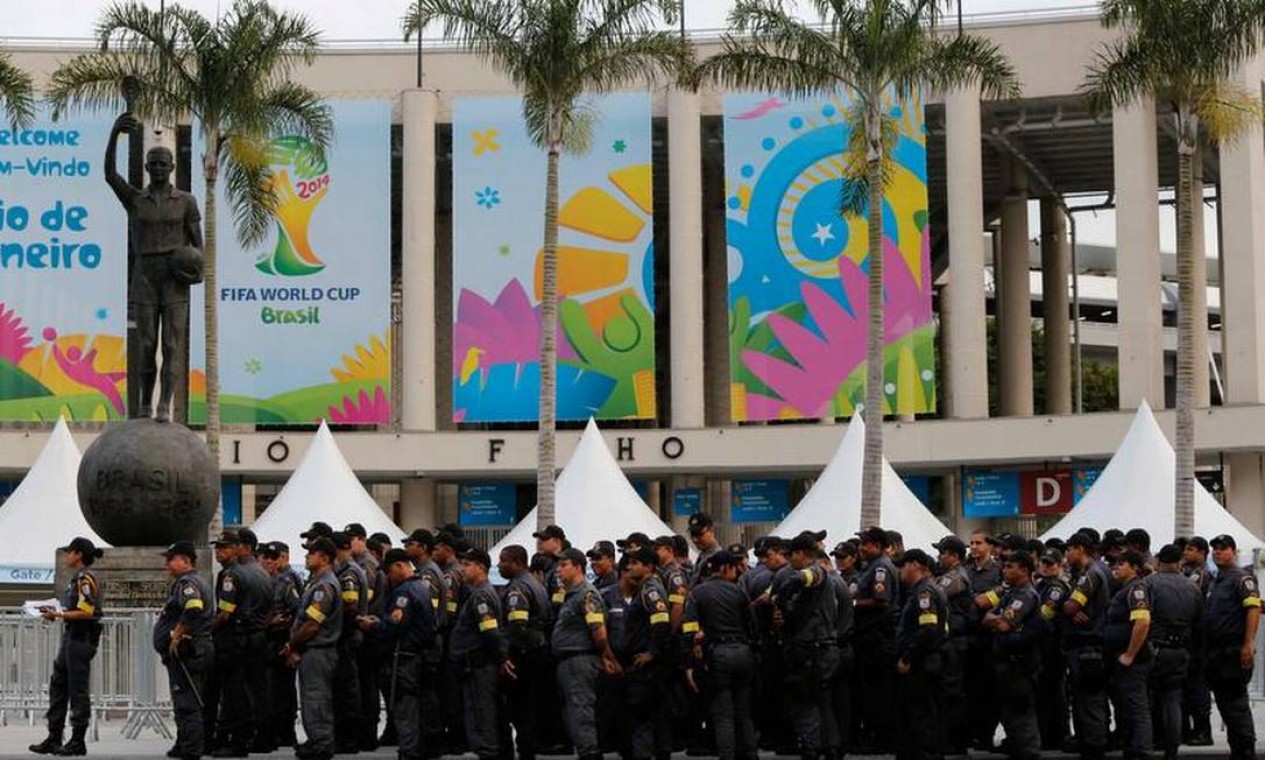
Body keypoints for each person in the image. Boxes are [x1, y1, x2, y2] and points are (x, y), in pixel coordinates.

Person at [104, 111, 203, 422]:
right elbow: (110, 175)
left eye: (164, 163)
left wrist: (194, 270)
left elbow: (199, 245)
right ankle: (145, 402)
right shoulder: (135, 200)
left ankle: (165, 406)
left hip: (174, 279)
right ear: (147, 168)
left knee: (172, 346)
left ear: (172, 168)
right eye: (154, 164)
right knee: (146, 347)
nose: (159, 168)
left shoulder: (186, 201)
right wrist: (114, 136)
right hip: (144, 277)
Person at [357, 548, 441, 760]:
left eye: (388, 570)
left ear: (400, 566)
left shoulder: (404, 592)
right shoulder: (421, 587)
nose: (386, 575)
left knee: (406, 708)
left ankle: (409, 751)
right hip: (418, 655)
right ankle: (418, 748)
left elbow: (395, 626)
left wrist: (373, 627)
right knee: (416, 707)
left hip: (405, 657)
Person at [30, 537, 105, 757]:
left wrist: (60, 614)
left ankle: (78, 741)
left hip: (81, 639)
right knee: (58, 685)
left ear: (79, 554)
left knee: (77, 689)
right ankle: (54, 737)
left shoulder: (85, 579)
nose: (67, 556)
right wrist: (57, 613)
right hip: (72, 636)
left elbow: (87, 611)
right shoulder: (78, 579)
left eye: (69, 552)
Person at [682, 550, 756, 760]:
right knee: (744, 714)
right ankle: (750, 754)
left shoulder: (698, 593)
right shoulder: (739, 592)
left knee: (723, 714)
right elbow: (752, 625)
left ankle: (727, 755)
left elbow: (689, 628)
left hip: (717, 656)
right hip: (743, 654)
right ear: (725, 568)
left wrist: (691, 660)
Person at [773, 533, 839, 760]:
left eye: (792, 556)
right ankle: (828, 748)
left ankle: (812, 749)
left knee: (805, 703)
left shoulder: (816, 570)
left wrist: (782, 594)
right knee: (821, 703)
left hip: (814, 650)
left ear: (801, 553)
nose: (790, 562)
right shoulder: (824, 577)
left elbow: (806, 576)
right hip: (821, 649)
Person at [552, 548, 622, 760]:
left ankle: (590, 753)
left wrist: (606, 656)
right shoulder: (571, 594)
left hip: (580, 660)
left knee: (581, 711)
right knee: (574, 713)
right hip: (569, 662)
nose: (558, 570)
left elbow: (599, 632)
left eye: (564, 565)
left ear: (578, 567)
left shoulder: (587, 594)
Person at [208, 530, 269, 757]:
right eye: (217, 548)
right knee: (253, 690)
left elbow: (224, 613)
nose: (218, 552)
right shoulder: (260, 571)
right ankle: (258, 736)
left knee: (235, 694)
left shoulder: (231, 575)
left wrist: (205, 631)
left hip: (235, 639)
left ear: (237, 548)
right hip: (255, 636)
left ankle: (238, 741)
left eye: (224, 548)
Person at [154, 541, 214, 760]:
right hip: (192, 649)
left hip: (189, 650)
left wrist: (177, 634)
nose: (167, 564)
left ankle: (191, 749)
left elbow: (193, 608)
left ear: (185, 561)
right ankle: (183, 743)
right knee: (183, 700)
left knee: (188, 702)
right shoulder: (192, 581)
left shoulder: (188, 582)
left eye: (171, 559)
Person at [1202, 534, 1260, 760]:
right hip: (1216, 653)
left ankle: (1245, 751)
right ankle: (1238, 750)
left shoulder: (1241, 578)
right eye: (1215, 549)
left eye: (1223, 548)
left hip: (1233, 652)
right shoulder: (1217, 579)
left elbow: (1253, 609)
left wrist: (1248, 643)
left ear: (1233, 552)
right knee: (1226, 706)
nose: (1218, 552)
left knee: (1236, 706)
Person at [450, 547, 510, 760]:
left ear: (481, 568)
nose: (462, 569)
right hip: (475, 666)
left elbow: (490, 632)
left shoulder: (481, 596)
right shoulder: (479, 593)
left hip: (479, 666)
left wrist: (501, 658)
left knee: (481, 717)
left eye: (467, 565)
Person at [981, 551, 1042, 760]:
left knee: (1021, 715)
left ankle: (1027, 753)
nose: (1004, 570)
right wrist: (995, 620)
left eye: (1010, 567)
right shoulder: (1011, 594)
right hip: (1006, 663)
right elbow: (987, 618)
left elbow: (1004, 624)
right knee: (1010, 715)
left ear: (1024, 570)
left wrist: (995, 621)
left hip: (1020, 663)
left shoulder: (1025, 595)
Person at [286, 538, 343, 760]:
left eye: (312, 553)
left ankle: (322, 742)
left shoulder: (324, 586)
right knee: (311, 698)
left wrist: (292, 644)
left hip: (319, 650)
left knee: (316, 698)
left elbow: (312, 624)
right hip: (312, 650)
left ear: (325, 558)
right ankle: (316, 739)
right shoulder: (315, 582)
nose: (307, 557)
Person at [498, 545, 554, 760]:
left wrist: (508, 655)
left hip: (524, 654)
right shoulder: (535, 583)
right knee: (528, 709)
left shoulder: (518, 588)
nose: (500, 565)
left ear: (517, 562)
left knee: (520, 710)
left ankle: (525, 752)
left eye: (503, 561)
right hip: (537, 649)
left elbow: (518, 626)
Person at [1147, 543, 1202, 760]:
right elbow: (1200, 623)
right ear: (1179, 561)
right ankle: (1172, 749)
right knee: (1172, 699)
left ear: (1159, 560)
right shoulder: (1193, 587)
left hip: (1154, 648)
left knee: (1148, 698)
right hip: (1181, 650)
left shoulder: (1149, 584)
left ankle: (1151, 741)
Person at [1062, 531, 1112, 759]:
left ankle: (1093, 745)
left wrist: (1068, 607)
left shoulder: (1091, 574)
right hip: (1092, 643)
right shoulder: (1098, 569)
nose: (1067, 554)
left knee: (1089, 700)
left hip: (1088, 645)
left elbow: (1071, 606)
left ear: (1080, 549)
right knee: (1088, 699)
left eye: (1069, 549)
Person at [893, 548, 947, 760]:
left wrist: (908, 658)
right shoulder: (920, 590)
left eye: (903, 565)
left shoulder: (924, 592)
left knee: (922, 717)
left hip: (921, 664)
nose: (900, 570)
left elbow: (929, 630)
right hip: (924, 661)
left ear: (915, 565)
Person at [621, 547, 673, 760]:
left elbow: (661, 619)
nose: (629, 567)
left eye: (635, 563)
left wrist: (651, 653)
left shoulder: (650, 590)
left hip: (647, 667)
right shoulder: (642, 590)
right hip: (646, 664)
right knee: (655, 716)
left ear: (648, 566)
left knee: (642, 717)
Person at [1105, 550, 1154, 760]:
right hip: (1122, 658)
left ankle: (1140, 750)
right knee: (1127, 705)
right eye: (1115, 563)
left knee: (1136, 706)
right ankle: (1132, 746)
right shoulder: (1124, 589)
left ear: (1134, 567)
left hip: (1133, 660)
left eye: (1121, 563)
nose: (1116, 567)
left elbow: (1142, 621)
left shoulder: (1137, 589)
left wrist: (1130, 654)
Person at [851, 526, 896, 753]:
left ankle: (881, 739)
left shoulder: (881, 567)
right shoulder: (871, 566)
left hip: (877, 638)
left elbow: (881, 600)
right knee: (870, 690)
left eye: (865, 543)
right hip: (868, 637)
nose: (861, 548)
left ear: (877, 545)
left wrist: (854, 604)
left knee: (877, 692)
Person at [347, 522, 387, 750]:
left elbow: (365, 600)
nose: (351, 542)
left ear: (362, 539)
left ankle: (368, 734)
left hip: (369, 630)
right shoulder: (358, 565)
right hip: (366, 629)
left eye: (353, 538)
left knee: (367, 684)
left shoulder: (367, 566)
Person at [329, 531, 369, 754]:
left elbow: (350, 604)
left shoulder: (348, 572)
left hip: (347, 635)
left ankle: (349, 738)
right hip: (348, 635)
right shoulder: (348, 570)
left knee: (346, 690)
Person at [932, 535, 973, 755]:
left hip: (956, 640)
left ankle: (956, 741)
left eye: (943, 553)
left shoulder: (957, 576)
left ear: (954, 556)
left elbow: (937, 594)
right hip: (951, 639)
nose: (939, 557)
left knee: (952, 690)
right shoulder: (949, 575)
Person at [261, 542, 303, 750]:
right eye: (265, 557)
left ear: (281, 559)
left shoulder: (286, 582)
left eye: (273, 557)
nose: (268, 561)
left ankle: (286, 733)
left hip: (281, 641)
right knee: (271, 691)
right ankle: (275, 732)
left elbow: (297, 611)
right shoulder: (263, 581)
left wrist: (292, 644)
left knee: (283, 690)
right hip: (266, 640)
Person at [964, 530, 1002, 752]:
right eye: (971, 543)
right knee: (971, 689)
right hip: (970, 636)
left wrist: (986, 600)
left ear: (989, 546)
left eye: (978, 543)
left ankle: (986, 734)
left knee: (990, 689)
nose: (974, 547)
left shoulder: (997, 571)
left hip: (990, 636)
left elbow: (1000, 596)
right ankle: (973, 733)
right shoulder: (966, 571)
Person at [1034, 548, 1071, 750]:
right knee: (1046, 692)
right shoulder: (1041, 584)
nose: (1046, 567)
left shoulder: (1057, 586)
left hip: (1054, 645)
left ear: (1059, 565)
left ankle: (1057, 735)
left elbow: (1045, 614)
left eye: (1051, 564)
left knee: (1054, 691)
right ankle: (1048, 734)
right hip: (1044, 644)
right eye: (1044, 563)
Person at [1180, 535, 1214, 746]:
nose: (1186, 553)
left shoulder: (1200, 575)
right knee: (1189, 687)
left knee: (1197, 687)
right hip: (1191, 638)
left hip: (1198, 639)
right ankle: (1192, 730)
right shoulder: (1189, 573)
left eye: (1191, 550)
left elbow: (1189, 597)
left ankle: (1203, 731)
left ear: (1202, 553)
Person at [687, 513, 721, 586]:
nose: (695, 539)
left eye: (699, 534)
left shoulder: (719, 558)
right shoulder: (702, 556)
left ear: (711, 531)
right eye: (692, 535)